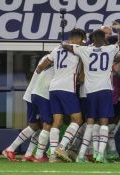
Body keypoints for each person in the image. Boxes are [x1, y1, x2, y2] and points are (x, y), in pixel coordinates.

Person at [61, 22, 120, 163]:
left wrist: (65, 43)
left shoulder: (86, 50)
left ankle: (81, 155)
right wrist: (119, 31)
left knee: (89, 122)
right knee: (104, 122)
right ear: (103, 38)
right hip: (105, 90)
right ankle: (100, 155)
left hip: (90, 91)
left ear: (92, 39)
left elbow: (66, 46)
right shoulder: (110, 49)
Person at [36, 28, 86, 162]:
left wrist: (39, 70)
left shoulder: (57, 49)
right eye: (83, 40)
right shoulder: (78, 49)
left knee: (57, 121)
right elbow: (81, 78)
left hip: (54, 88)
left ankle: (52, 155)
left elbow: (42, 65)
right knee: (77, 119)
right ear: (80, 39)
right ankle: (61, 147)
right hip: (67, 88)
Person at [2, 54, 52, 162]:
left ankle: (27, 154)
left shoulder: (48, 57)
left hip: (34, 92)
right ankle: (12, 149)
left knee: (37, 125)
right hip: (38, 93)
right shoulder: (52, 57)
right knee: (41, 124)